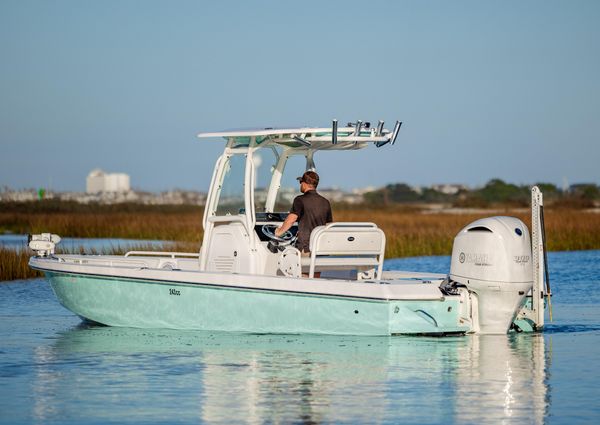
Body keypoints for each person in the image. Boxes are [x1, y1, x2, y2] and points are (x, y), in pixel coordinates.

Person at [275, 171, 333, 255]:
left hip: (306, 249)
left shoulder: (299, 200)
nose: (300, 184)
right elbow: (328, 225)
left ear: (305, 183)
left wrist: (279, 232)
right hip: (320, 248)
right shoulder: (325, 202)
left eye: (300, 182)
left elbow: (291, 220)